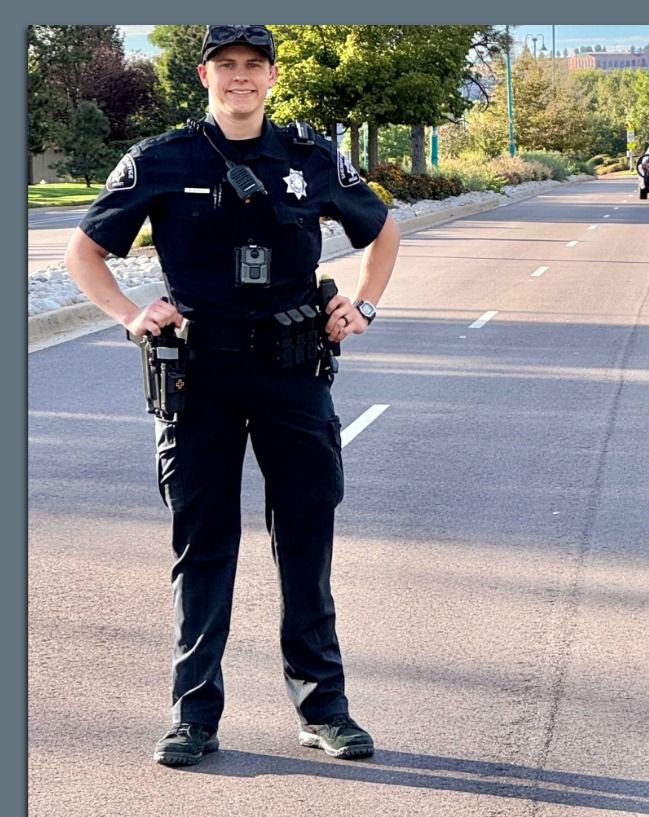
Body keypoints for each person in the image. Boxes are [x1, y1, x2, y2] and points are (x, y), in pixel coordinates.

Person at [65, 25, 399, 767]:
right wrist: (130, 316)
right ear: (204, 75)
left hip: (293, 373)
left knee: (305, 543)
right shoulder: (161, 159)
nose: (240, 78)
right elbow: (83, 252)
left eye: (254, 66)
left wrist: (364, 306)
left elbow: (383, 231)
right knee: (203, 547)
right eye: (227, 67)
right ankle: (193, 718)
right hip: (201, 378)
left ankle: (324, 710)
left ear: (273, 77)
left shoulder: (309, 158)